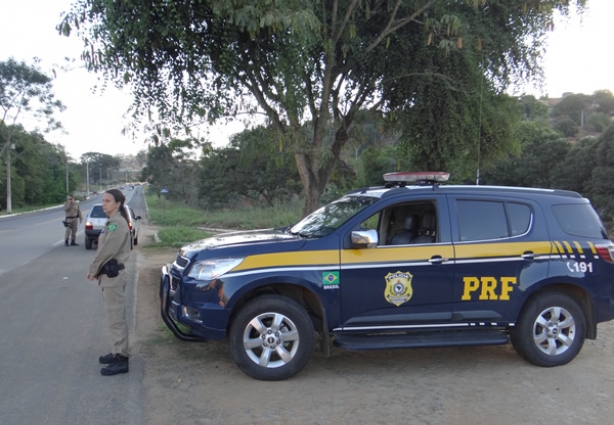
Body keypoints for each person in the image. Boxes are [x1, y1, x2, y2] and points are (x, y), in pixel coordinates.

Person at [86, 189, 132, 376]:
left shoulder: (117, 224)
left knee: (116, 318)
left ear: (118, 203)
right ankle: (116, 351)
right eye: (103, 200)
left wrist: (93, 270)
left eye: (107, 201)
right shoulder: (111, 223)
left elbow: (107, 251)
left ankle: (122, 358)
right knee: (113, 317)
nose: (104, 204)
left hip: (113, 276)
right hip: (109, 276)